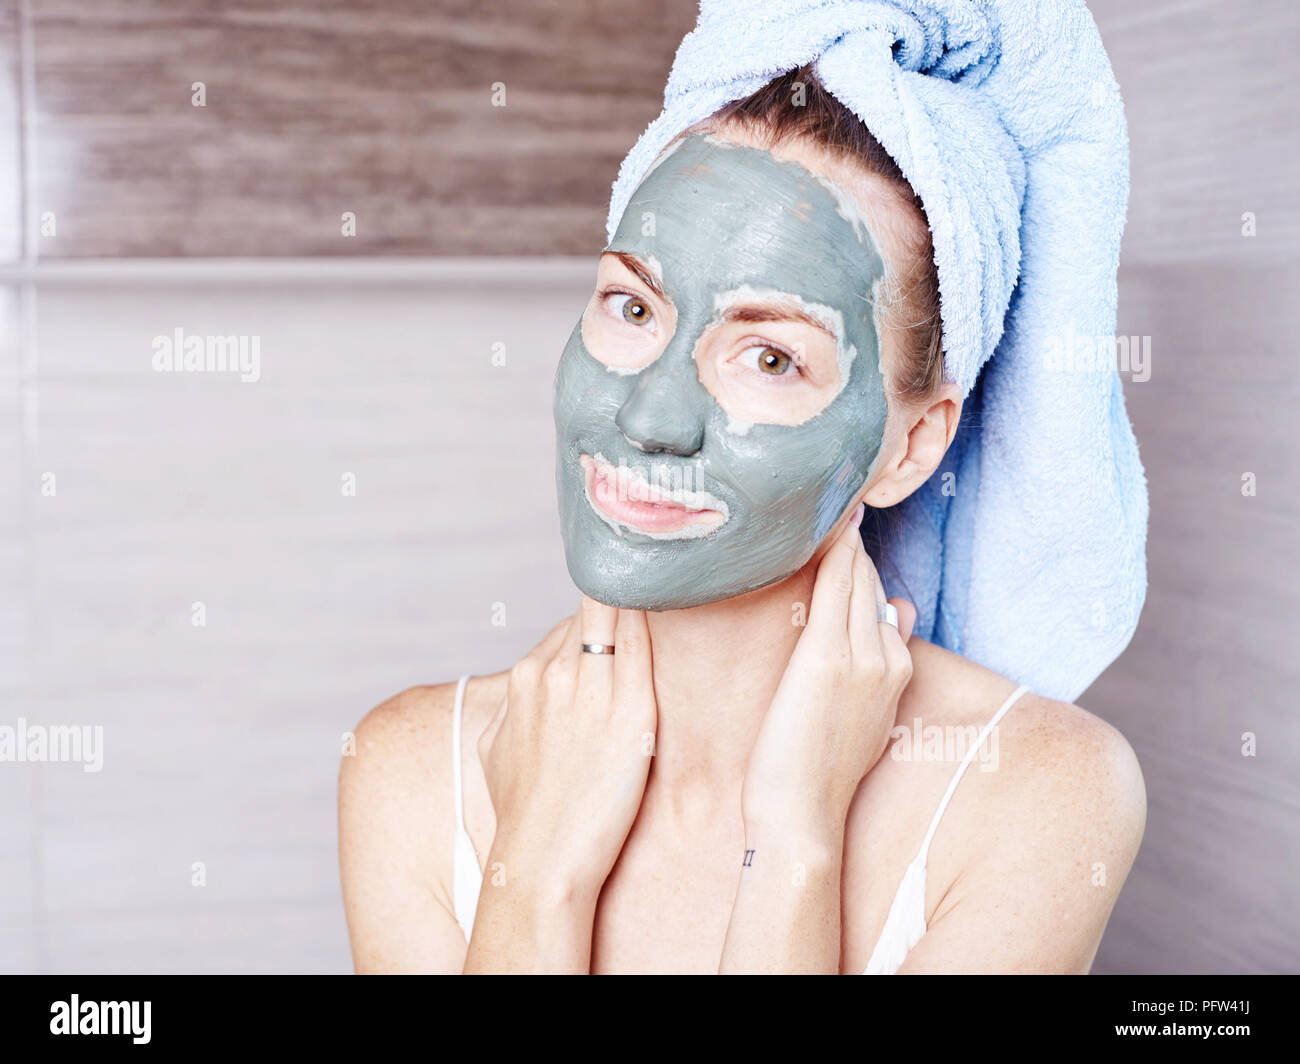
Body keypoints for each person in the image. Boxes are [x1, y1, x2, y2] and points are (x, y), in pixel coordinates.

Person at [338, 67, 1146, 975]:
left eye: (768, 356)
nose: (650, 417)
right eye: (633, 306)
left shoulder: (1040, 792)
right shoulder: (411, 769)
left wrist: (796, 838)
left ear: (912, 445)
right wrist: (532, 875)